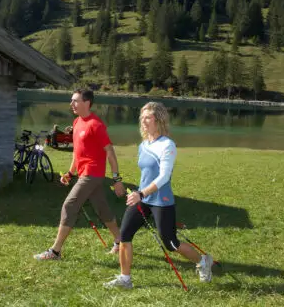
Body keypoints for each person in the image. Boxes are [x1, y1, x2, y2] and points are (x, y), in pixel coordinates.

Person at [104, 101, 213, 289]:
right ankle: (125, 279)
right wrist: (137, 193)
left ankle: (203, 261)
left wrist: (141, 192)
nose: (144, 121)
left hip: (160, 200)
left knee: (171, 243)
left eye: (148, 118)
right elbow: (146, 174)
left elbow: (163, 177)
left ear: (159, 120)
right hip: (142, 198)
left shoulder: (167, 145)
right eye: (142, 117)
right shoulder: (143, 144)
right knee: (124, 235)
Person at [34, 88, 126, 260]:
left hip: (92, 174)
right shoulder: (77, 122)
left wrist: (116, 179)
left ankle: (55, 251)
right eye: (72, 100)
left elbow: (110, 153)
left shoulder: (96, 125)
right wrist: (70, 172)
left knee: (69, 206)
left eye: (75, 100)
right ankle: (120, 241)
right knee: (102, 209)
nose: (72, 104)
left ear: (87, 103)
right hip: (84, 173)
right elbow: (77, 152)